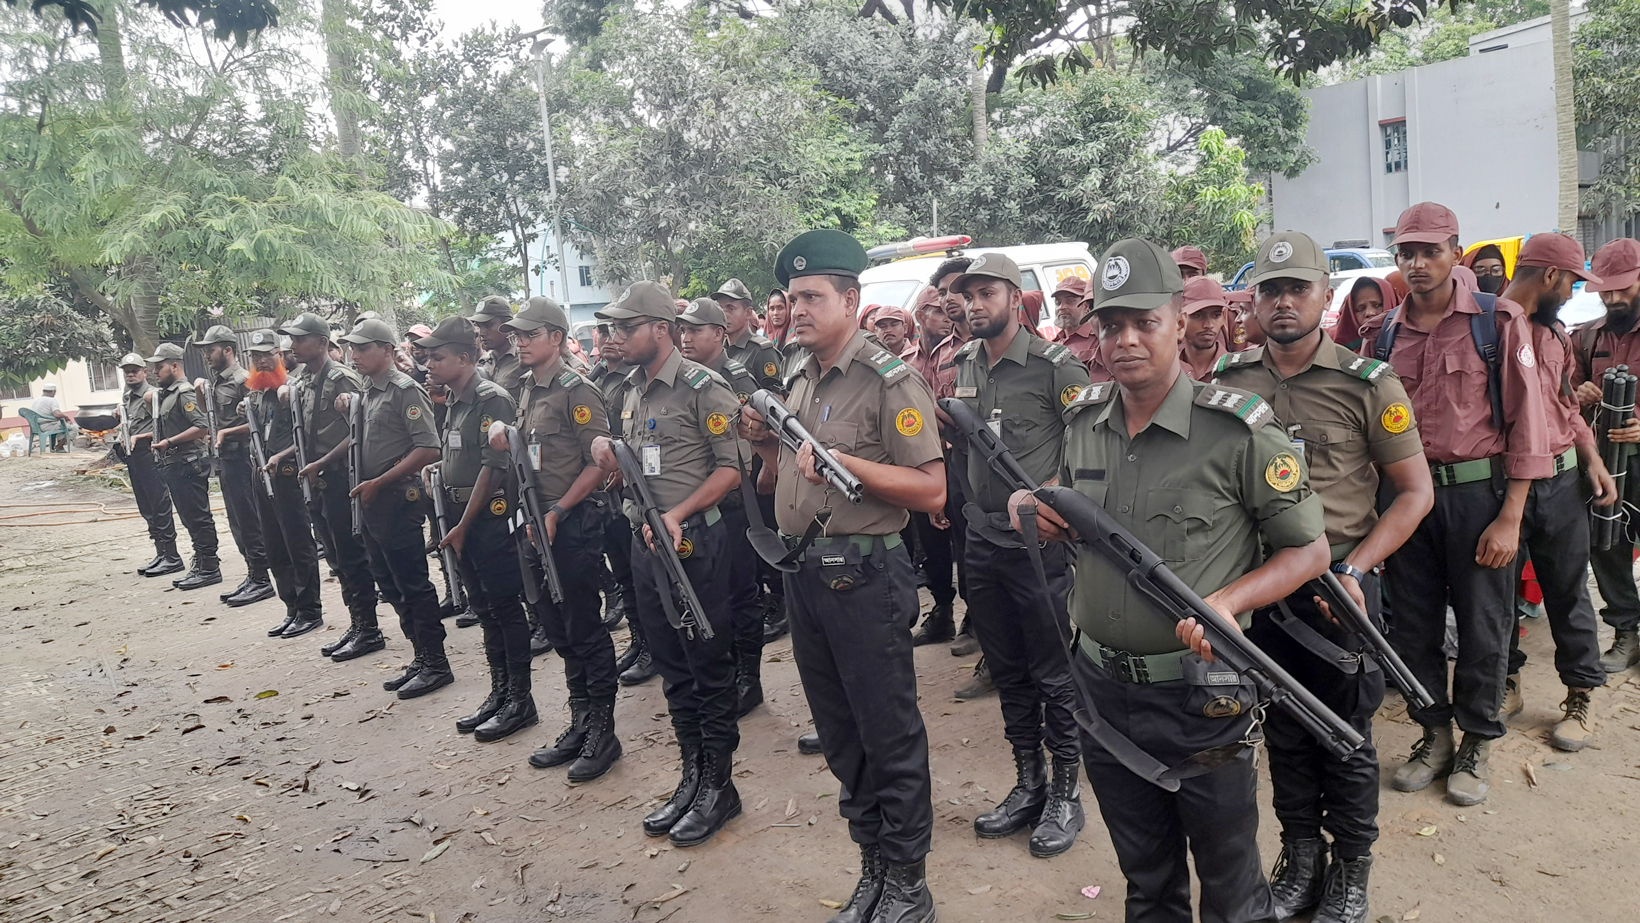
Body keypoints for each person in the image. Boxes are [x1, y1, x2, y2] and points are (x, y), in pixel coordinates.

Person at [1018, 237, 1329, 923]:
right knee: (1146, 878)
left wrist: (1228, 601)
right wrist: (1037, 512)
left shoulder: (1236, 431)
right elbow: (1065, 504)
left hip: (1200, 695)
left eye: (1144, 322)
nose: (1125, 340)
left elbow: (1309, 550)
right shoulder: (1083, 423)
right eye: (1110, 325)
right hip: (1102, 688)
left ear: (1179, 321)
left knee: (1230, 882)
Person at [1213, 231, 1434, 923]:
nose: (1283, 302)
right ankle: (1302, 857)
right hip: (1261, 586)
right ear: (1253, 301)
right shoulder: (1227, 382)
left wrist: (1357, 566)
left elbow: (1415, 493)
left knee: (1345, 735)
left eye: (1297, 289)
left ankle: (1351, 869)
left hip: (1340, 590)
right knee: (1282, 726)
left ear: (1324, 295)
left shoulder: (1368, 383)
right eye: (1270, 290)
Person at [738, 229, 945, 923]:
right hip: (804, 574)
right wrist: (767, 447)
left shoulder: (889, 380)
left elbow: (932, 489)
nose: (796, 309)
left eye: (811, 297)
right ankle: (873, 864)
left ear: (851, 301)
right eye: (791, 297)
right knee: (839, 730)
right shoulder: (800, 377)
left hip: (865, 576)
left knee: (886, 731)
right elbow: (779, 481)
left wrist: (846, 463)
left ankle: (909, 880)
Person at [1358, 202, 1552, 807]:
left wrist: (1511, 516)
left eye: (1430, 251)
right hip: (1405, 500)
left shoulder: (1498, 321)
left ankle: (1476, 741)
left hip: (1477, 497)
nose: (1417, 263)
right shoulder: (1383, 333)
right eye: (1406, 253)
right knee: (1414, 624)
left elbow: (1528, 424)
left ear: (1455, 252)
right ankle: (1434, 735)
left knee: (1483, 624)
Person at [948, 252, 1091, 859]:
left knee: (1052, 671)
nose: (974, 304)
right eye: (968, 295)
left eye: (987, 293)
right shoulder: (964, 363)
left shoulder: (1056, 367)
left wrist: (1051, 499)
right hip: (982, 540)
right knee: (1007, 670)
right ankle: (1028, 781)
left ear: (1014, 297)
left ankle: (1066, 792)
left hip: (1039, 545)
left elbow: (1088, 446)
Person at [592, 280, 744, 848]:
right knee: (672, 666)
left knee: (708, 664)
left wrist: (677, 513)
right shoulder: (630, 389)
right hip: (646, 543)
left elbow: (731, 469)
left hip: (692, 542)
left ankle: (720, 786)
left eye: (626, 327)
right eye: (613, 327)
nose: (615, 337)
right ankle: (693, 776)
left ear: (661, 329)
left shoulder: (703, 387)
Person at [489, 297, 625, 778]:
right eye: (516, 336)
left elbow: (599, 464)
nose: (520, 343)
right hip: (535, 523)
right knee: (558, 629)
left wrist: (560, 510)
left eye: (530, 335)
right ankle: (580, 720)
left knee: (584, 628)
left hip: (571, 524)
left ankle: (602, 732)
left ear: (556, 338)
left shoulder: (576, 390)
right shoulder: (528, 388)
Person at [1496, 234, 1613, 751]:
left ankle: (1581, 694)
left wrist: (1593, 459)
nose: (1569, 294)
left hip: (1561, 482)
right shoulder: (1485, 328)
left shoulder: (1555, 334)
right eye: (1569, 283)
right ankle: (1506, 682)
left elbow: (1567, 406)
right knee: (1497, 596)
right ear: (1549, 276)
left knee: (1568, 592)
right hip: (1503, 485)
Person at [418, 316, 540, 725]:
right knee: (484, 608)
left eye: (437, 357)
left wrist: (463, 526)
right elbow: (462, 454)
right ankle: (500, 691)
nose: (429, 365)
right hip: (459, 516)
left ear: (464, 358)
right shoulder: (454, 399)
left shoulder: (491, 399)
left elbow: (494, 468)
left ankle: (520, 699)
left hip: (487, 517)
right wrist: (438, 468)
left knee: (504, 606)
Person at [336, 319, 455, 702]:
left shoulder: (404, 390)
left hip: (397, 497)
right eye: (352, 348)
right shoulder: (367, 391)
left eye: (363, 348)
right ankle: (420, 656)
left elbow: (429, 448)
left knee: (411, 582)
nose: (354, 355)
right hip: (372, 498)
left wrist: (380, 481)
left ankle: (436, 661)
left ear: (387, 350)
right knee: (388, 582)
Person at [676, 296, 768, 718]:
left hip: (734, 502)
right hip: (698, 505)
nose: (686, 337)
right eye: (683, 330)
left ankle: (749, 677)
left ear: (719, 334)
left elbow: (752, 440)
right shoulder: (682, 379)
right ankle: (722, 674)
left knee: (740, 592)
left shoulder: (734, 377)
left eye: (695, 330)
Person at [279, 312, 384, 663]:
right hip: (317, 480)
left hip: (339, 477)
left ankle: (368, 628)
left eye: (300, 339)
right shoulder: (304, 381)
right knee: (336, 558)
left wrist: (321, 462)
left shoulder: (342, 378)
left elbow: (359, 432)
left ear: (322, 342)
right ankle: (357, 623)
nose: (293, 345)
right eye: (292, 339)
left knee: (351, 556)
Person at [1573, 237, 1640, 673]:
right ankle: (1626, 631)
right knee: (1608, 543)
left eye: (1623, 288)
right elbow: (1561, 392)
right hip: (1605, 460)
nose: (1614, 299)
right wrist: (1577, 393)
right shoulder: (1586, 336)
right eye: (1606, 290)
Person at [243, 330, 325, 639]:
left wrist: (280, 456)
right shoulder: (256, 394)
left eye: (267, 355)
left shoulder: (294, 389)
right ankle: (291, 607)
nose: (261, 361)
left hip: (288, 475)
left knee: (298, 544)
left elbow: (307, 434)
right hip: (262, 475)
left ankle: (309, 610)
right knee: (274, 544)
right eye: (255, 356)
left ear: (279, 355)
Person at [194, 325, 275, 608]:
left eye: (211, 350)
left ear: (228, 349)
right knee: (236, 521)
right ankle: (253, 573)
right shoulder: (215, 381)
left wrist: (227, 433)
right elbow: (211, 417)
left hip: (242, 457)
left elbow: (259, 420)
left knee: (249, 519)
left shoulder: (244, 380)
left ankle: (262, 578)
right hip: (225, 458)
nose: (206, 355)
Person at [145, 342, 223, 590]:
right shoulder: (166, 395)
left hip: (189, 462)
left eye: (159, 367)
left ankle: (209, 566)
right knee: (189, 517)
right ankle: (200, 562)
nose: (155, 372)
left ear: (175, 366)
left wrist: (169, 442)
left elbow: (202, 427)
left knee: (199, 517)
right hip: (175, 463)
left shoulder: (184, 393)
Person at [117, 354, 182, 577]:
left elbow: (162, 427)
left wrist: (140, 437)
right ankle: (161, 552)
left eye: (135, 370)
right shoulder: (128, 397)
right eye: (127, 371)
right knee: (146, 506)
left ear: (144, 372)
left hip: (151, 454)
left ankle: (172, 556)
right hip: (134, 457)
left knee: (159, 504)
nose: (130, 374)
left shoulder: (153, 396)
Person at [713, 278, 784, 393]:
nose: (724, 315)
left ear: (748, 313)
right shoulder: (719, 350)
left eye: (730, 308)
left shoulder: (761, 351)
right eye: (720, 308)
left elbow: (775, 396)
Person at [1049, 277, 1106, 378]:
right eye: (1058, 302)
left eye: (1070, 301)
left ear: (1086, 306)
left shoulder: (1099, 338)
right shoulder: (1053, 344)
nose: (1062, 307)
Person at [470, 296, 525, 396]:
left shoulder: (524, 360)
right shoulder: (482, 363)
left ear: (507, 324)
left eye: (488, 325)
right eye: (479, 326)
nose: (482, 333)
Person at [1180, 276, 1230, 380]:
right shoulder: (1167, 371)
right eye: (1198, 315)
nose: (1209, 325)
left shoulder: (1236, 372)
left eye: (1216, 315)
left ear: (1224, 317)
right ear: (1180, 320)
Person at [1334, 277, 1397, 351]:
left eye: (1377, 305)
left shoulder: (1406, 342)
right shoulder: (1342, 352)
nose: (1369, 313)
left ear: (1391, 302)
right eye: (1360, 309)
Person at [30, 384, 74, 451]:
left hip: (36, 426)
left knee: (61, 425)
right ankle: (59, 446)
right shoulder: (52, 400)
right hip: (48, 426)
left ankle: (54, 448)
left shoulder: (36, 400)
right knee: (74, 428)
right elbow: (57, 414)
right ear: (53, 392)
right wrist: (66, 417)